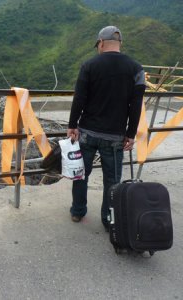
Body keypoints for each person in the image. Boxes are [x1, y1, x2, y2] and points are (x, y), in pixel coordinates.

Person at [67, 25, 146, 231]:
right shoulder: (137, 69)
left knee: (81, 174)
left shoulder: (89, 65)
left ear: (101, 43)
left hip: (87, 133)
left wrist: (72, 125)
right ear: (120, 43)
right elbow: (136, 104)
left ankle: (78, 211)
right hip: (115, 136)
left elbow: (79, 99)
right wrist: (130, 133)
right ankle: (108, 219)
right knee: (112, 180)